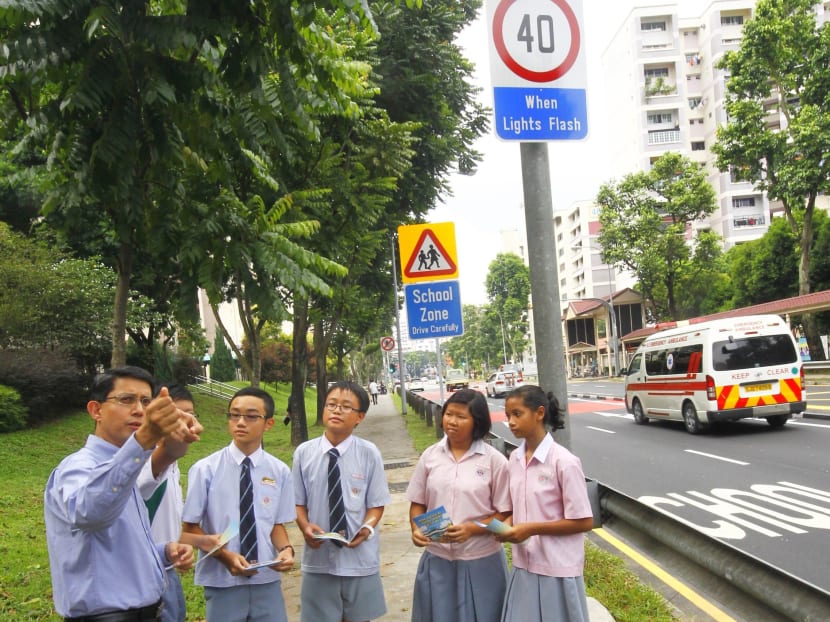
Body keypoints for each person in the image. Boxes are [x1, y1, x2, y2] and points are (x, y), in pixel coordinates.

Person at [44, 366, 198, 621]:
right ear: (96, 410)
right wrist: (145, 437)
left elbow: (115, 544)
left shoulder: (126, 467)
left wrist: (162, 551)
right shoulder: (78, 467)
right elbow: (90, 513)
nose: (139, 410)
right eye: (126, 400)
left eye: (146, 401)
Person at [182, 387, 296, 622]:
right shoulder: (206, 470)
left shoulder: (279, 471)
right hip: (223, 580)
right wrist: (225, 557)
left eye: (251, 416)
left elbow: (275, 524)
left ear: (269, 423)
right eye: (234, 415)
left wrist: (286, 550)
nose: (240, 422)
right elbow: (189, 529)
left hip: (266, 579)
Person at [406, 389, 512, 622]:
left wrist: (472, 529)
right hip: (437, 559)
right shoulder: (430, 456)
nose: (452, 421)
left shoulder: (494, 461)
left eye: (461, 417)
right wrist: (416, 530)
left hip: (481, 561)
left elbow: (505, 514)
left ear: (478, 422)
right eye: (449, 414)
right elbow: (418, 502)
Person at [292, 380, 391, 622]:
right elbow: (297, 501)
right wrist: (305, 527)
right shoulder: (304, 453)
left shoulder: (369, 453)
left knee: (359, 618)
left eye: (346, 406)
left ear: (360, 417)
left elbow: (376, 503)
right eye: (331, 404)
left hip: (359, 557)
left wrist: (366, 528)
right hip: (318, 558)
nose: (336, 410)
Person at [496, 385, 594, 622]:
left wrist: (531, 528)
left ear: (539, 413)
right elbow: (515, 509)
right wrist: (504, 527)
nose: (510, 421)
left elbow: (583, 520)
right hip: (524, 566)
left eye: (517, 414)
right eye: (508, 416)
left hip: (556, 568)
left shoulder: (564, 462)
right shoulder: (515, 459)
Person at [137, 384, 213, 622]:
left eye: (190, 413)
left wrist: (196, 541)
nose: (185, 420)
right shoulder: (141, 463)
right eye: (176, 414)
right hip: (143, 575)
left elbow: (168, 519)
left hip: (167, 569)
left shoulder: (174, 465)